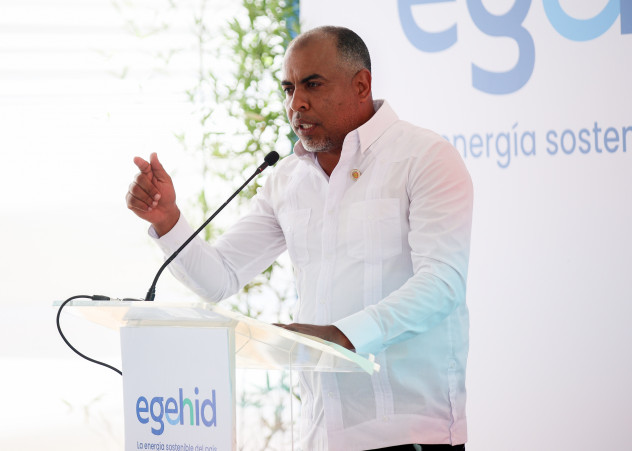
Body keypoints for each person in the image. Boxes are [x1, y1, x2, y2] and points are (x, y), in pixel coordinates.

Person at [126, 26, 473, 451]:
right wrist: (167, 220)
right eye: (288, 89)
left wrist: (342, 336)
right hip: (318, 435)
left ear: (361, 85)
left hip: (409, 434)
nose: (296, 104)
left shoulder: (424, 157)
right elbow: (221, 277)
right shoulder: (287, 179)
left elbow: (442, 284)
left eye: (312, 85)